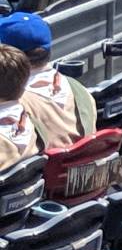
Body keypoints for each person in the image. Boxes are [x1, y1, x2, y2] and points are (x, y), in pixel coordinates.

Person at [0, 12, 94, 151]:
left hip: (47, 169)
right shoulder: (78, 88)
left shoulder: (15, 103)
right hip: (82, 165)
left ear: (9, 55)